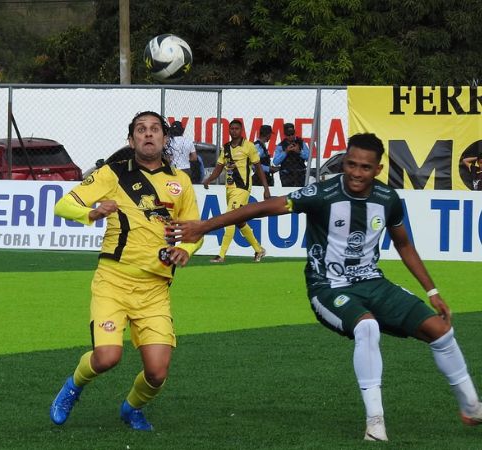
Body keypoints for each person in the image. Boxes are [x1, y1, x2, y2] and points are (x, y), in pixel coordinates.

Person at [167, 132, 482, 442]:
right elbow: (263, 207)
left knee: (441, 330)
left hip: (372, 282)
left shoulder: (387, 199)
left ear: (378, 169)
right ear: (344, 162)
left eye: (365, 167)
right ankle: (375, 423)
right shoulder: (322, 193)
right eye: (351, 164)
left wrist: (432, 291)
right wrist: (205, 226)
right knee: (367, 328)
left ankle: (472, 407)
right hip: (327, 288)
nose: (356, 173)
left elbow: (404, 245)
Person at [49, 111, 202, 431]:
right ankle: (72, 387)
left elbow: (194, 231)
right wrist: (92, 211)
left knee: (158, 372)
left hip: (155, 289)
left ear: (164, 138)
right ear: (131, 140)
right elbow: (62, 205)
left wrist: (184, 249)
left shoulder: (181, 181)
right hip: (113, 281)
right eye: (141, 130)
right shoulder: (111, 174)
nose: (148, 134)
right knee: (106, 357)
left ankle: (132, 408)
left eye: (155, 129)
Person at [201, 119, 270, 263]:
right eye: (231, 128)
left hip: (242, 188)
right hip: (230, 189)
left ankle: (221, 255)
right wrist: (208, 179)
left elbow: (258, 167)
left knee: (230, 218)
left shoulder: (249, 146)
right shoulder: (225, 148)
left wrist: (266, 188)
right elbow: (219, 168)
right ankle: (259, 250)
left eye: (236, 129)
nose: (234, 131)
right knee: (240, 222)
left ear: (241, 130)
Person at [273, 122, 310, 187]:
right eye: (288, 135)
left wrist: (299, 152)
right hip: (286, 175)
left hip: (300, 174)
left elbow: (309, 157)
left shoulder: (301, 143)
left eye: (292, 134)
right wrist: (286, 152)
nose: (291, 136)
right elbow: (275, 162)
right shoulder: (280, 146)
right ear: (285, 135)